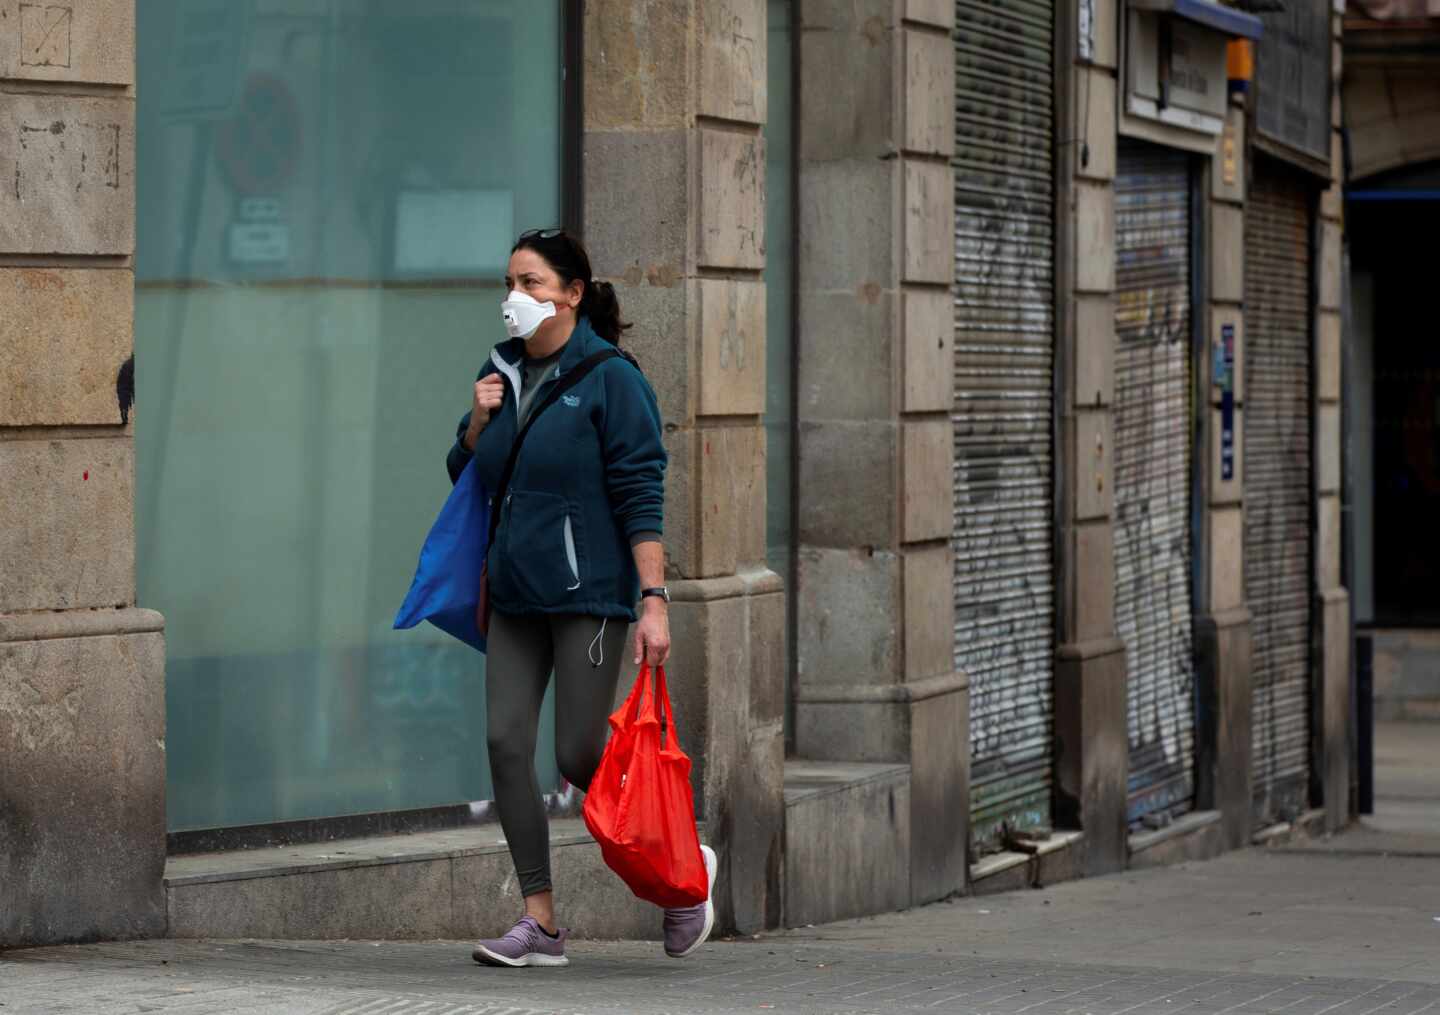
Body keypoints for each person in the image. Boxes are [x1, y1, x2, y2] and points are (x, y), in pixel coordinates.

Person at [447, 228, 716, 968]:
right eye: (509, 282)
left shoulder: (610, 376)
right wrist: (476, 422)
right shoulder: (498, 371)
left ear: (571, 294)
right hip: (512, 594)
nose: (515, 298)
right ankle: (540, 922)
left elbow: (640, 488)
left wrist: (653, 598)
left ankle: (682, 871)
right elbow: (466, 469)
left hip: (588, 595)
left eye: (531, 283)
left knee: (578, 750)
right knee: (505, 743)